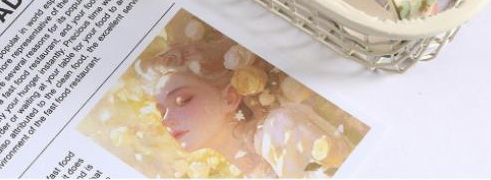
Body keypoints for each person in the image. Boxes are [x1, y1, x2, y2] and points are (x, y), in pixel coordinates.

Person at [142, 17, 356, 178]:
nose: (166, 120)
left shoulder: (280, 129)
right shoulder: (246, 169)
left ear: (229, 98)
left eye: (182, 100)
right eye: (161, 111)